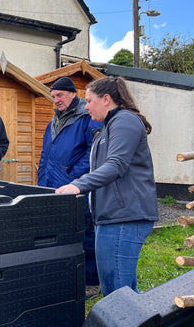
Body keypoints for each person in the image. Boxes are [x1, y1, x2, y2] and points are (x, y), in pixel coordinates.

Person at [56, 76, 159, 297]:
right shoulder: (108, 126)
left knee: (118, 294)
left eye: (89, 100)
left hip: (124, 218)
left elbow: (116, 165)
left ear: (106, 99)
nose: (86, 106)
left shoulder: (125, 121)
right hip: (112, 218)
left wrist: (78, 185)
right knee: (125, 291)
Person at [37, 76, 102, 300]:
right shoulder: (53, 121)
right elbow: (46, 154)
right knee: (61, 234)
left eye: (60, 95)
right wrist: (41, 182)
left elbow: (93, 151)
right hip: (53, 187)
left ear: (73, 94)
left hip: (77, 188)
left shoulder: (87, 117)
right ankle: (68, 275)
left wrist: (73, 176)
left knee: (84, 231)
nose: (55, 100)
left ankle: (92, 281)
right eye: (53, 96)